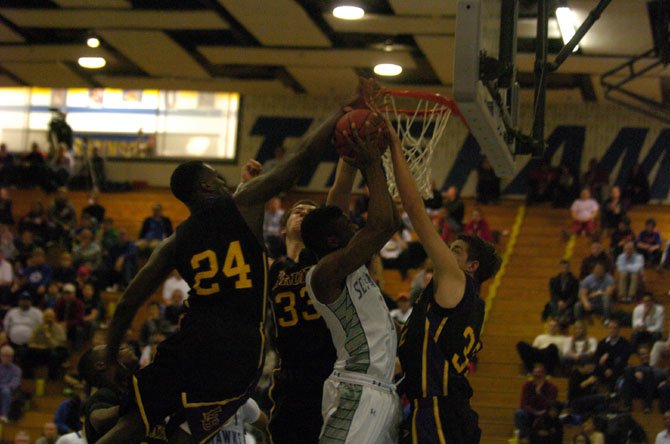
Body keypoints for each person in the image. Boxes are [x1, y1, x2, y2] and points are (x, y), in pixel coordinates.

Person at [98, 80, 373, 444]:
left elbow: (131, 299)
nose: (225, 183)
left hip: (191, 338)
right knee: (185, 437)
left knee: (131, 424)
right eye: (217, 178)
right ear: (208, 187)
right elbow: (300, 158)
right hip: (236, 347)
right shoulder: (242, 205)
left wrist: (109, 358)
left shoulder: (174, 241)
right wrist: (342, 109)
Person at [386, 106, 501, 443]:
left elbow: (415, 211)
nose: (447, 254)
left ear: (472, 266)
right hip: (446, 410)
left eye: (456, 252)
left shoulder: (457, 281)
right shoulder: (466, 303)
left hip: (438, 410)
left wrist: (395, 144)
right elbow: (425, 342)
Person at [301, 120, 400, 444]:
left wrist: (351, 151)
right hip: (357, 389)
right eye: (346, 223)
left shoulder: (347, 263)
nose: (353, 224)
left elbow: (339, 196)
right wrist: (372, 164)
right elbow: (383, 224)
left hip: (380, 391)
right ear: (332, 240)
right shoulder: (326, 272)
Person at [267, 158, 357, 444]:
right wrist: (247, 186)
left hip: (331, 372)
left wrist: (347, 161)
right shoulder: (273, 268)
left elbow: (338, 202)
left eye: (311, 213)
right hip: (290, 376)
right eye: (298, 211)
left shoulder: (328, 261)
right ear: (283, 229)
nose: (304, 213)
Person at [514, 364, 558, 441]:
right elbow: (523, 404)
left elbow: (550, 404)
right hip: (531, 411)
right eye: (535, 375)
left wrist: (539, 394)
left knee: (551, 415)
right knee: (519, 412)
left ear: (544, 376)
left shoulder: (552, 387)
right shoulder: (527, 385)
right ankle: (522, 437)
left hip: (545, 412)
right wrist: (535, 412)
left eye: (539, 375)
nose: (536, 378)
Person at [24, 308, 68, 380]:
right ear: (43, 318)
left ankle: (52, 379)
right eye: (46, 317)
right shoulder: (39, 327)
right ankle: (27, 378)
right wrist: (38, 346)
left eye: (50, 317)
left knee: (54, 354)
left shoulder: (59, 328)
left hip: (54, 352)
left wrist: (48, 336)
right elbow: (30, 341)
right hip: (41, 350)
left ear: (54, 318)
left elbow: (56, 346)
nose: (48, 319)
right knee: (25, 352)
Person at [621, 345, 667, 413]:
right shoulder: (635, 368)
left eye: (646, 353)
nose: (645, 356)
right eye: (642, 354)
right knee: (628, 370)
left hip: (651, 391)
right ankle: (627, 405)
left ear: (649, 355)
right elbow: (622, 380)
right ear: (639, 356)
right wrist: (635, 372)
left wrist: (642, 372)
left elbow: (664, 375)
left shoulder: (654, 368)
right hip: (637, 390)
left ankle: (647, 406)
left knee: (648, 372)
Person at [4, 291, 44, 359]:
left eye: (27, 300)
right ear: (19, 301)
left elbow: (41, 328)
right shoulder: (12, 311)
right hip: (12, 342)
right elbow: (6, 326)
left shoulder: (37, 312)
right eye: (23, 300)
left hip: (30, 344)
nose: (24, 302)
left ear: (31, 301)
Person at [594, 319, 631, 391]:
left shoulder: (624, 343)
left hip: (618, 369)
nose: (612, 330)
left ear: (619, 329)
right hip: (604, 369)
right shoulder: (602, 343)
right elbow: (596, 359)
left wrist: (608, 355)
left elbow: (623, 359)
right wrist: (605, 370)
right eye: (610, 328)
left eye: (615, 328)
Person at [543, 259, 579, 327]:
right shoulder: (554, 280)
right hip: (558, 303)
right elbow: (553, 293)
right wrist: (559, 301)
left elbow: (574, 295)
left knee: (573, 308)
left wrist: (566, 303)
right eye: (562, 268)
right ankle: (557, 318)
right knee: (551, 304)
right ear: (560, 268)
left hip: (569, 303)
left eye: (566, 268)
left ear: (569, 268)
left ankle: (563, 319)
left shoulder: (575, 281)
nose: (564, 269)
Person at [0, 345, 21, 423]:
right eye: (4, 355)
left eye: (8, 356)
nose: (6, 358)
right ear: (0, 356)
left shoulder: (16, 370)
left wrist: (2, 387)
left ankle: (4, 415)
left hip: (10, 391)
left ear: (12, 357)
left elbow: (14, 384)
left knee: (5, 391)